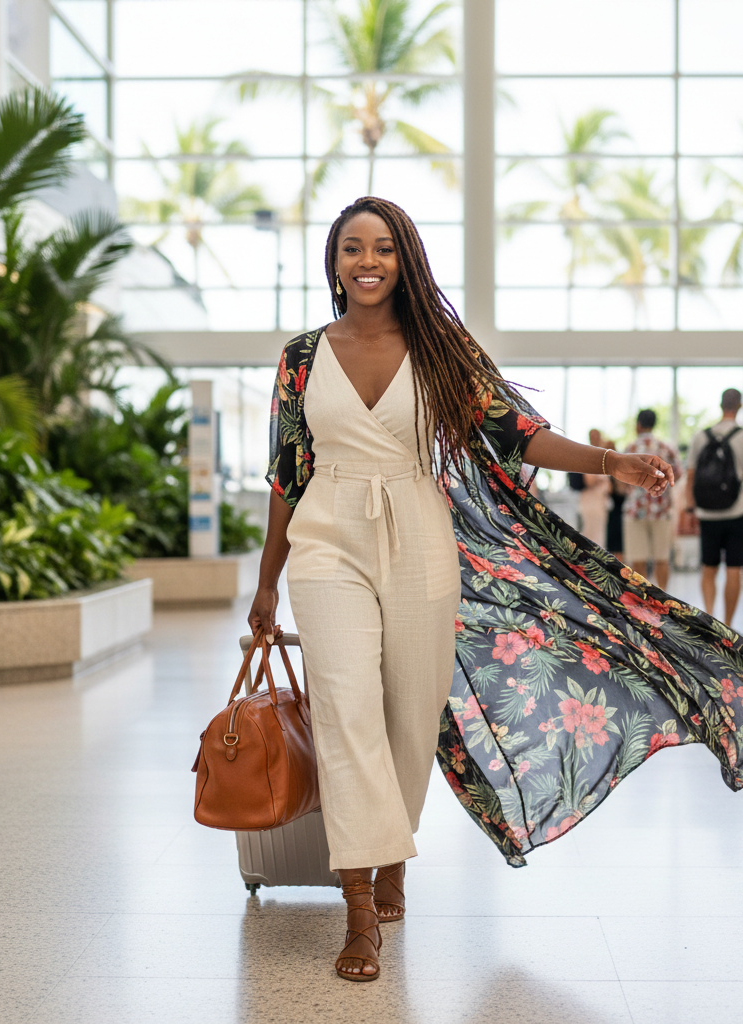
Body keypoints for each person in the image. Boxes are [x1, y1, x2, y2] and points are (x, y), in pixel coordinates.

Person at [249, 197, 743, 983]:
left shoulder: (444, 350)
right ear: (334, 261)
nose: (367, 260)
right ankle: (359, 911)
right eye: (352, 248)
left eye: (383, 247)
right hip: (327, 539)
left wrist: (610, 464)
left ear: (405, 258)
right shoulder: (302, 356)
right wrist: (267, 581)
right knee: (345, 709)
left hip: (418, 530)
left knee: (412, 714)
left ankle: (393, 863)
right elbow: (288, 472)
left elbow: (521, 434)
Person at [686, 388, 743, 625]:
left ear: (721, 406)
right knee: (733, 568)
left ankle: (710, 620)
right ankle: (728, 625)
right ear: (739, 406)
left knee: (708, 567)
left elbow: (691, 476)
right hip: (737, 512)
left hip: (707, 512)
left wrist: (690, 509)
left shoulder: (701, 436)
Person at [622, 409, 682, 590]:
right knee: (662, 558)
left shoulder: (630, 449)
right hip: (661, 510)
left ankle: (644, 602)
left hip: (635, 510)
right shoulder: (666, 448)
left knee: (638, 560)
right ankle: (664, 599)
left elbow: (621, 479)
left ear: (638, 425)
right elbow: (677, 475)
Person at [578, 428, 612, 547]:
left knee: (600, 535)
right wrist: (600, 479)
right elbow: (589, 480)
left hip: (601, 502)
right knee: (590, 534)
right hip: (590, 502)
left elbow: (609, 486)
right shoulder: (587, 455)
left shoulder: (604, 455)